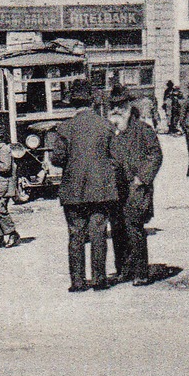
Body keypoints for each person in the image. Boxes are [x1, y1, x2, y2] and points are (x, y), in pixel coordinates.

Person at [50, 87, 125, 292]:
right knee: (98, 233)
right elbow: (117, 159)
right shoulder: (106, 126)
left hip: (73, 191)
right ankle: (99, 280)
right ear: (93, 102)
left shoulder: (65, 128)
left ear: (73, 104)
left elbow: (57, 159)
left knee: (75, 235)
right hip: (101, 190)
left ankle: (77, 282)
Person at [107, 89, 164, 285]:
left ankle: (141, 272)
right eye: (113, 107)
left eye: (121, 106)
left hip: (136, 187)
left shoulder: (143, 130)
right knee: (116, 229)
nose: (117, 110)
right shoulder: (109, 131)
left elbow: (155, 155)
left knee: (134, 228)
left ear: (130, 108)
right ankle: (123, 269)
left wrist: (142, 178)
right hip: (115, 188)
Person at [0, 134, 24, 250]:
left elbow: (5, 167)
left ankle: (12, 233)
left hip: (4, 185)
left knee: (0, 209)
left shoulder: (5, 149)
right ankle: (0, 236)